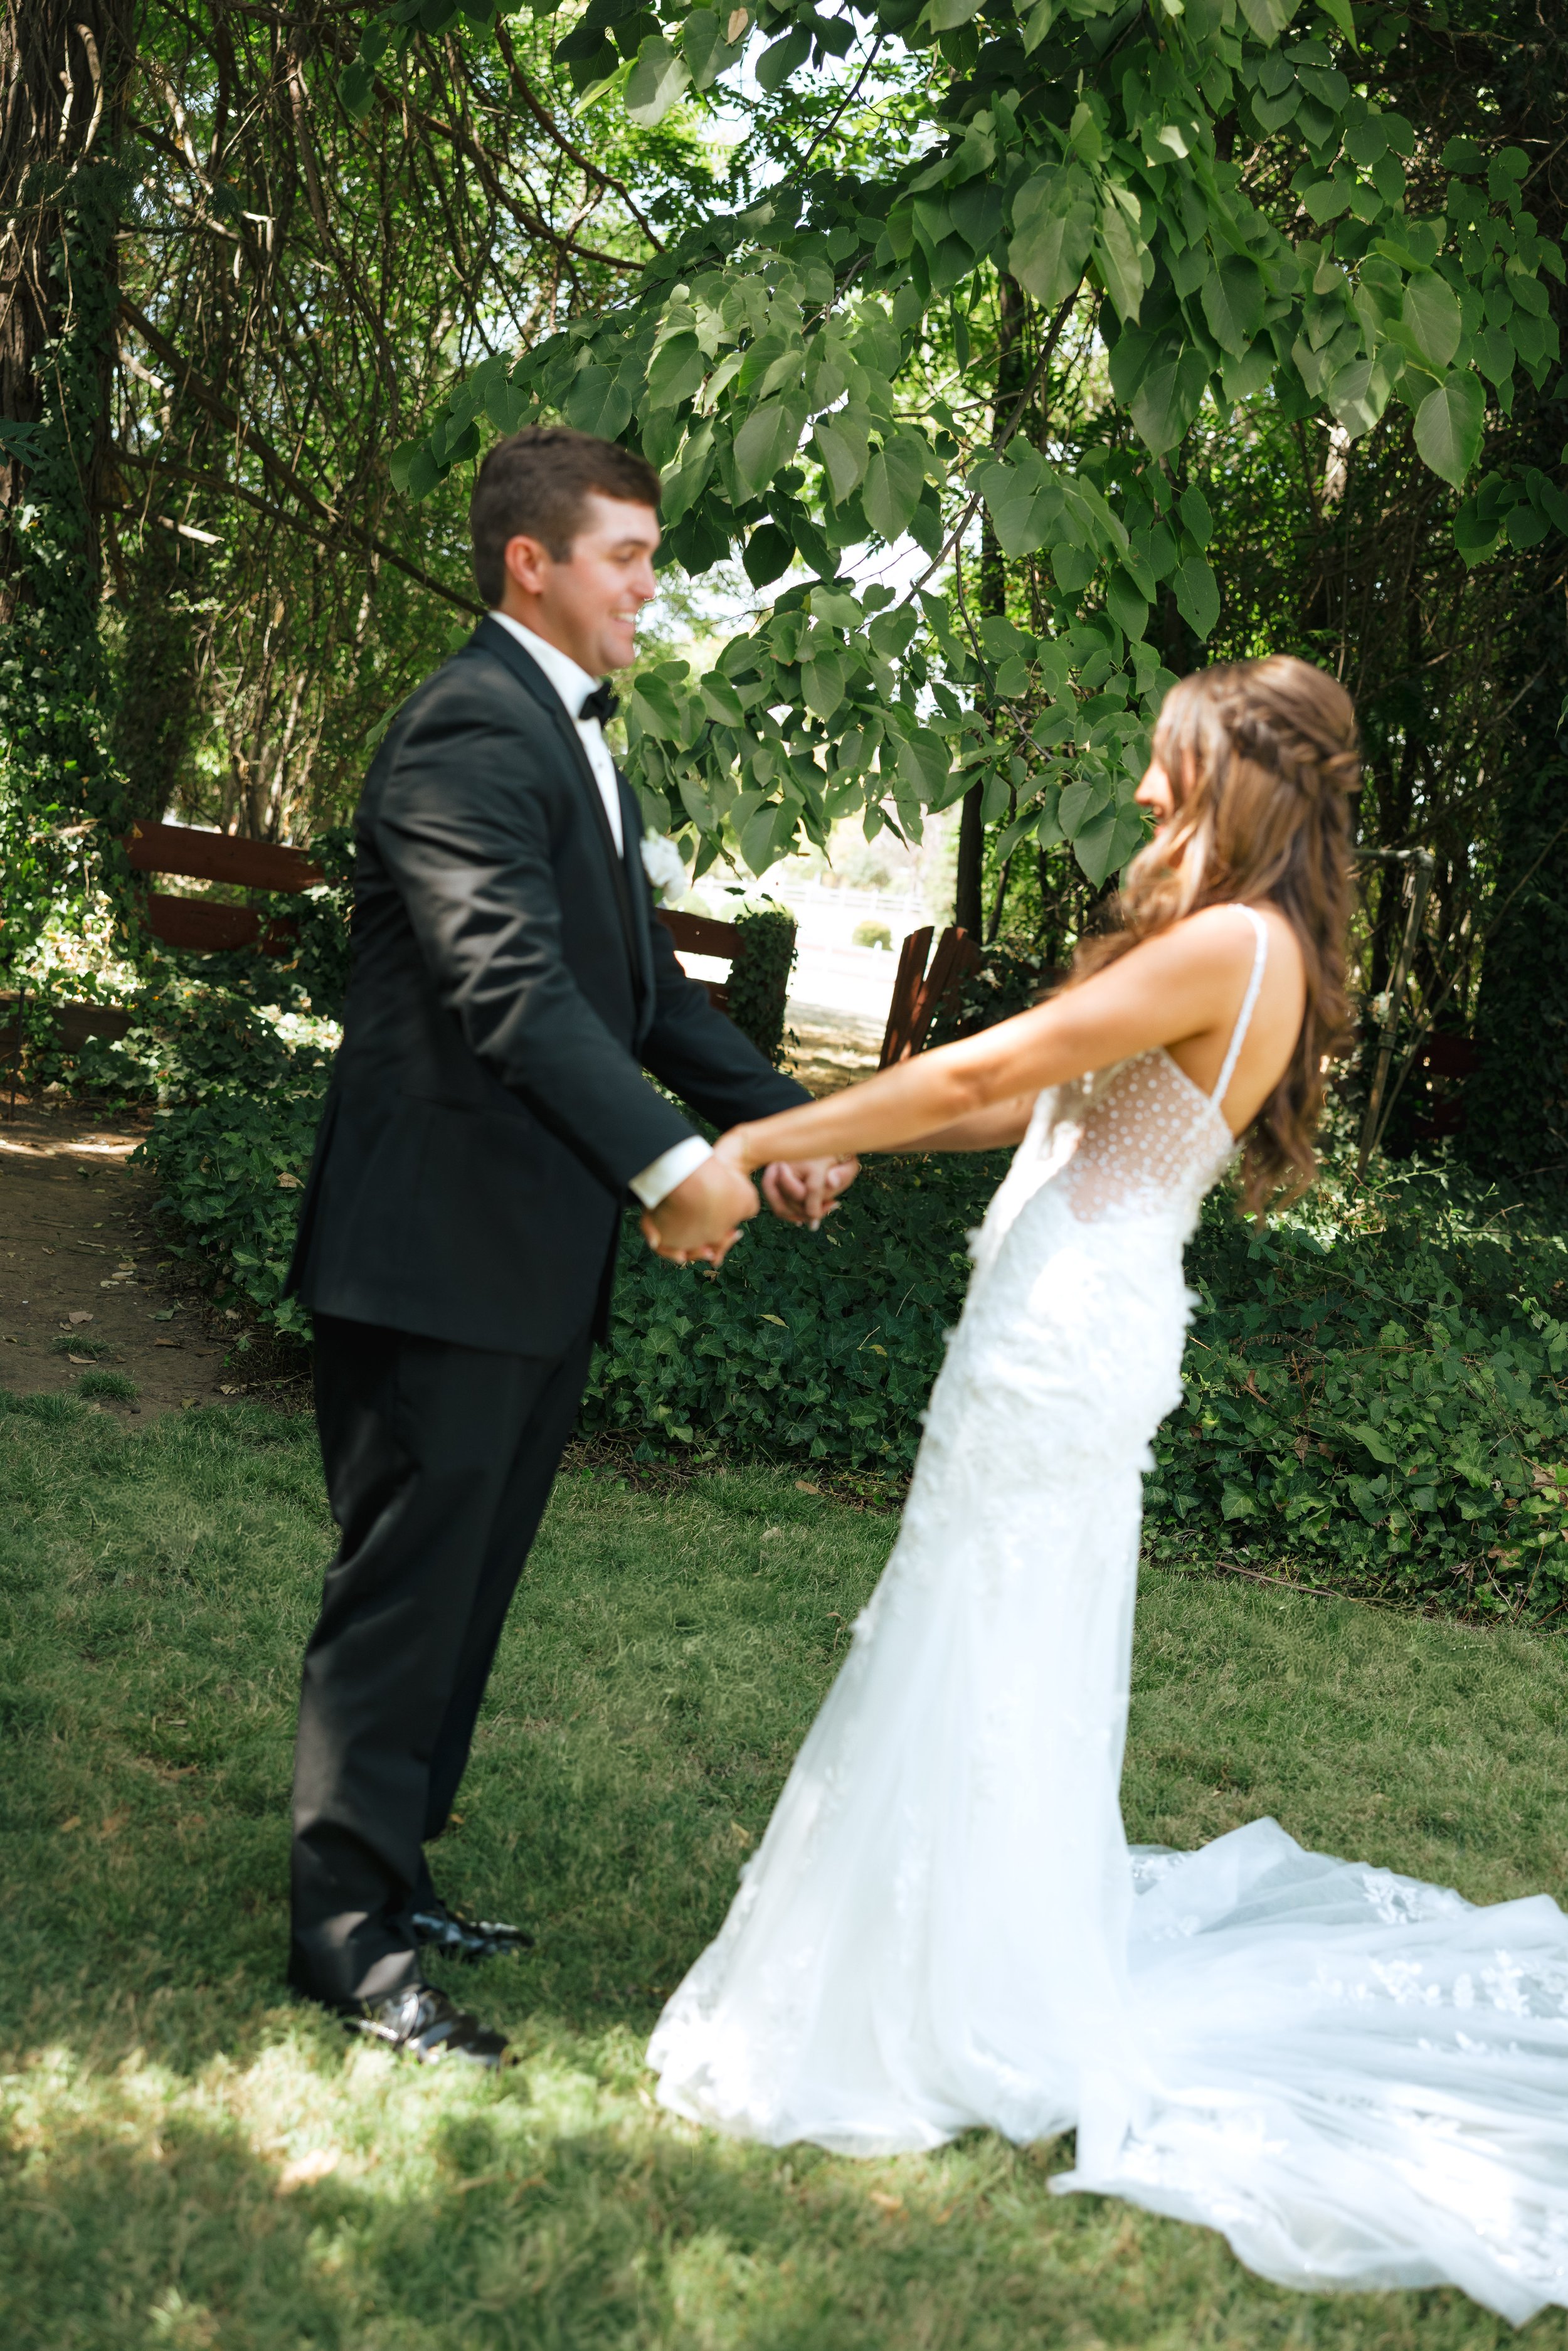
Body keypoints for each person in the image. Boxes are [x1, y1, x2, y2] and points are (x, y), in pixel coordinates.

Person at [646, 656, 1568, 2326]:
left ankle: (925, 1999)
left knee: (980, 1633)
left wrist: (752, 1137)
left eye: (1169, 767)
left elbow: (984, 1071)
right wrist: (836, 1134)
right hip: (1076, 1304)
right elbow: (1008, 1104)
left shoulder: (1231, 943)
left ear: (1244, 783)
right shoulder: (1242, 941)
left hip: (1064, 1334)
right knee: (1000, 1638)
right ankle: (975, 1955)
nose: (1142, 794)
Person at [284, 425, 854, 2067]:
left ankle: (394, 1872)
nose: (648, 590)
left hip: (527, 1256)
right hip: (433, 1246)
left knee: (468, 1586)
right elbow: (507, 984)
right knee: (402, 1593)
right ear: (529, 561)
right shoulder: (469, 723)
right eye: (626, 557)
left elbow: (645, 992)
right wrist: (673, 1166)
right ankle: (342, 1937)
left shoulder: (577, 740)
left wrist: (789, 1126)